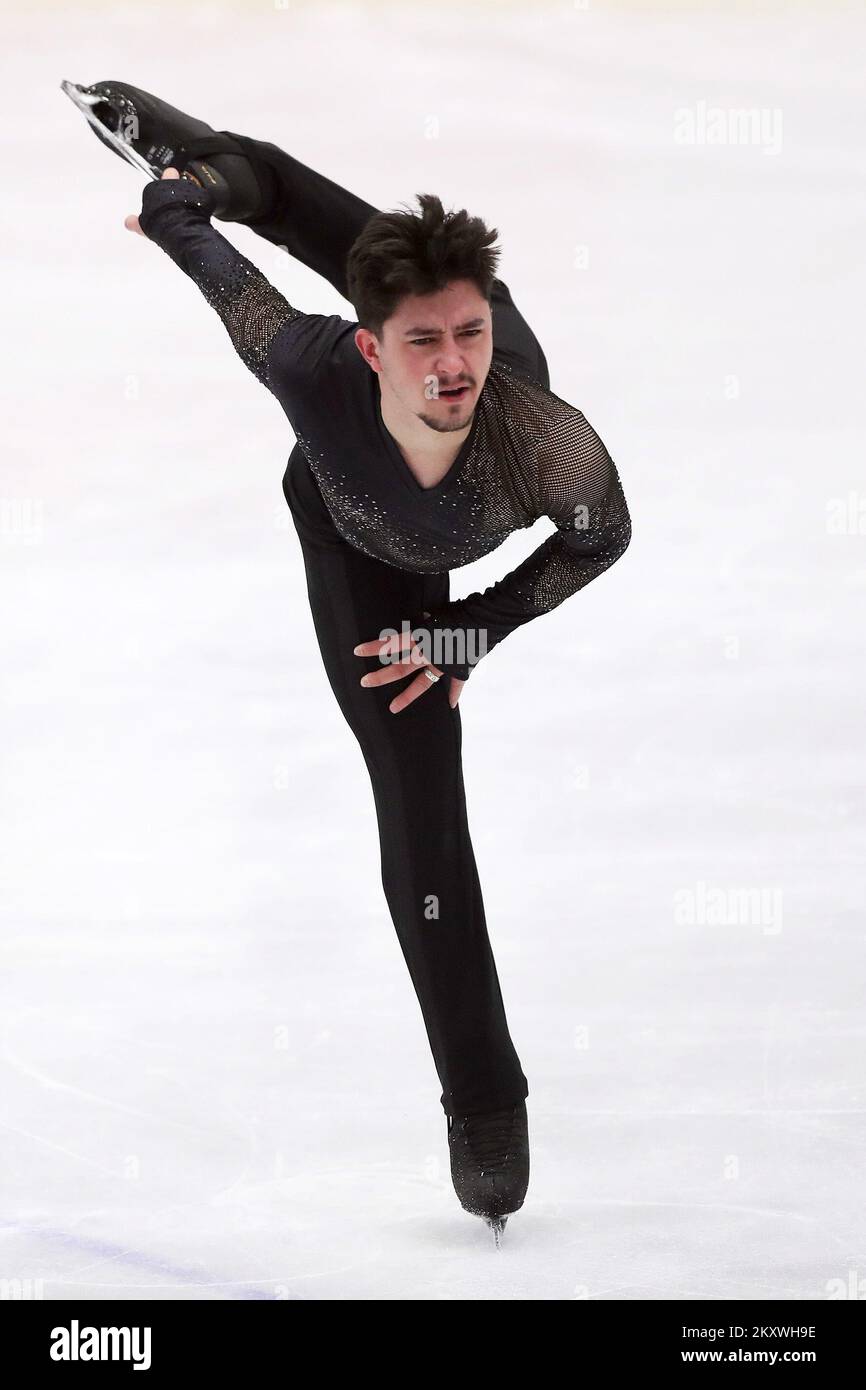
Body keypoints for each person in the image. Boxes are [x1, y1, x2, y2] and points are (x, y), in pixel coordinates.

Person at [72, 82, 632, 1239]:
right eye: (423, 340)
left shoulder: (542, 439)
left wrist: (470, 624)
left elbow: (599, 538)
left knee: (348, 224)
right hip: (349, 532)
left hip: (441, 579)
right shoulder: (310, 367)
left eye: (466, 332)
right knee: (418, 810)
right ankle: (483, 1097)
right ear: (374, 348)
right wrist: (179, 207)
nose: (450, 365)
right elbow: (217, 272)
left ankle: (213, 160)